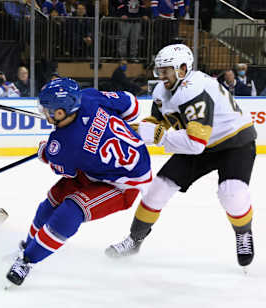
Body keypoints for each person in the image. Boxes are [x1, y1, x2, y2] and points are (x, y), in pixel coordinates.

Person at [105, 44, 257, 269]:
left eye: (166, 71)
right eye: (159, 71)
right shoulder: (163, 90)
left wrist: (156, 136)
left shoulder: (194, 88)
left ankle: (243, 233)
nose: (161, 76)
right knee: (158, 189)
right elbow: (159, 121)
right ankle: (135, 239)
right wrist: (137, 129)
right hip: (201, 142)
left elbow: (194, 144)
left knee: (232, 193)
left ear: (183, 69)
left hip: (234, 143)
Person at [5, 78, 152, 286]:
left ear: (60, 112)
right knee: (55, 198)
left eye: (46, 109)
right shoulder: (89, 96)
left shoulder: (62, 145)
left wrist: (45, 153)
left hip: (125, 184)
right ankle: (27, 247)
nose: (43, 112)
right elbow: (131, 105)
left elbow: (63, 169)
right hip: (105, 168)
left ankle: (27, 261)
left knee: (70, 210)